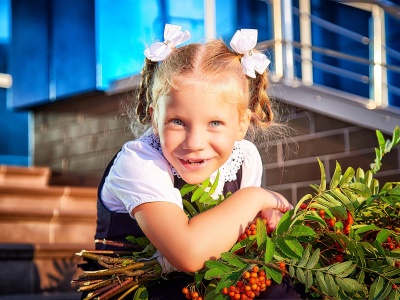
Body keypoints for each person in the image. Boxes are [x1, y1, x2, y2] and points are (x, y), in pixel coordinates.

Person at [90, 24, 308, 299]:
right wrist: (254, 199)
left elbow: (232, 242)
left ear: (242, 124)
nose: (194, 143)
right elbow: (190, 253)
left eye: (215, 123)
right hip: (135, 292)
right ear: (155, 119)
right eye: (177, 122)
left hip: (203, 284)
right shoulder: (140, 163)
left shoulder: (246, 158)